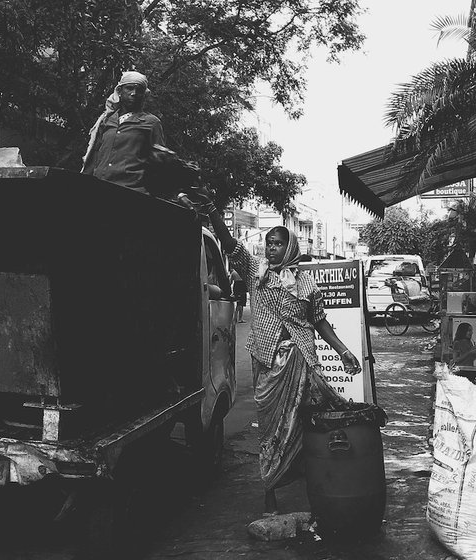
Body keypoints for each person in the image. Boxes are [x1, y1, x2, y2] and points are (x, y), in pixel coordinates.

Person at [182, 189, 362, 515]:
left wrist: (344, 352)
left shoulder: (307, 285)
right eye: (268, 243)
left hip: (301, 361)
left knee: (303, 424)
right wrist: (211, 211)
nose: (271, 249)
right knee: (269, 429)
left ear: (289, 247)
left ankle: (316, 487)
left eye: (277, 244)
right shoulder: (256, 271)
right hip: (266, 363)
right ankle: (270, 494)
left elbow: (319, 324)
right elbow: (232, 246)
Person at [80, 71, 165, 193]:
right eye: (129, 88)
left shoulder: (151, 123)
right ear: (120, 91)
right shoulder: (107, 120)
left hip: (130, 191)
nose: (134, 93)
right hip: (98, 187)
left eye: (139, 90)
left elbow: (161, 161)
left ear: (144, 95)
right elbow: (94, 155)